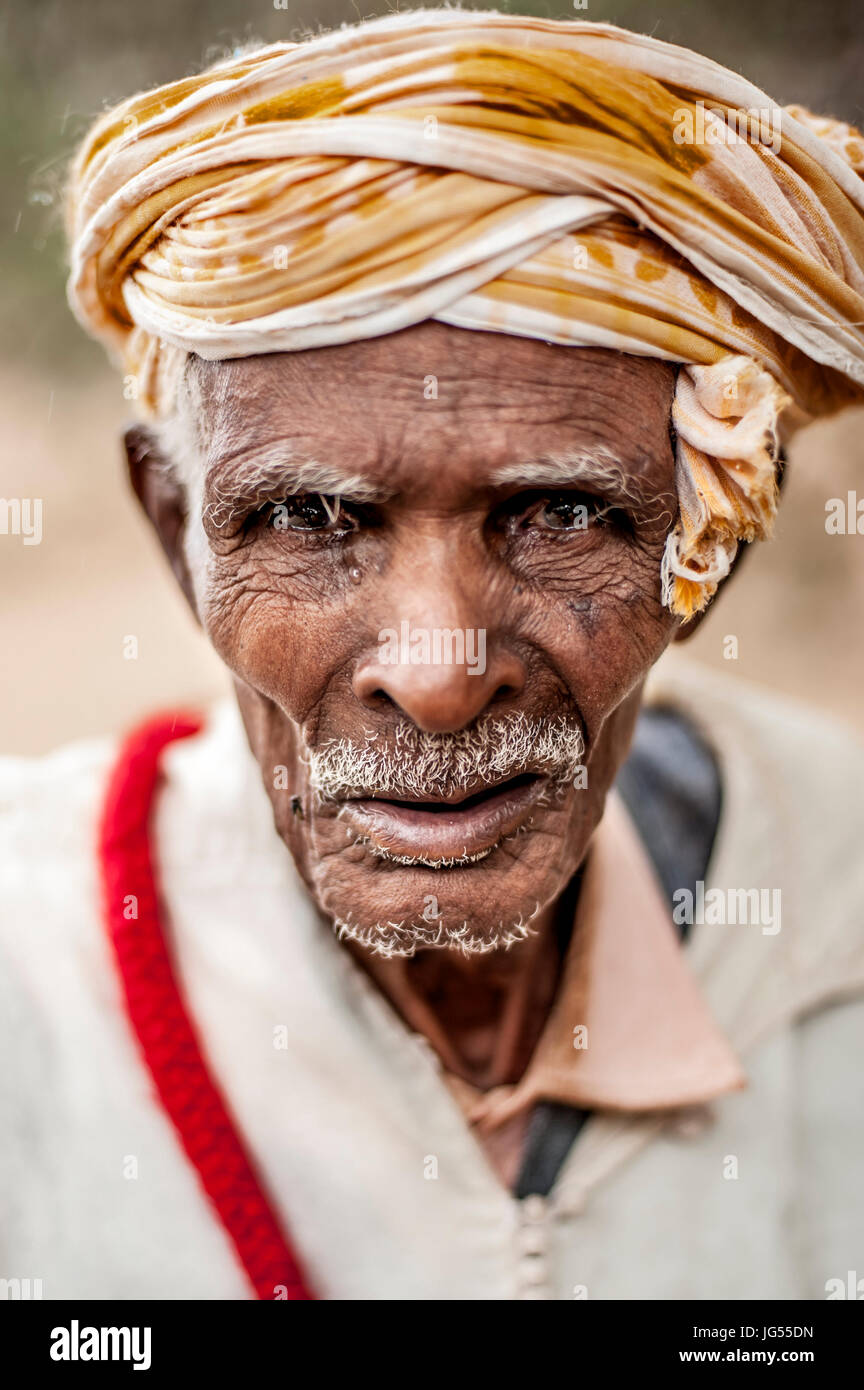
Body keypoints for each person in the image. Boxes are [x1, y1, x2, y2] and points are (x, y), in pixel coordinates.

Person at [2, 9, 863, 1300]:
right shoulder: (30, 962)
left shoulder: (841, 910)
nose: (439, 670)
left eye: (563, 514)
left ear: (713, 541)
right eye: (309, 518)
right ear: (179, 533)